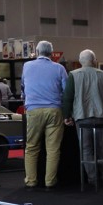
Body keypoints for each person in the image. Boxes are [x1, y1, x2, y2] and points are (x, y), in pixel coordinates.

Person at [62, 49, 103, 186]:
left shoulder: (73, 75)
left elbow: (67, 98)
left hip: (82, 117)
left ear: (80, 61)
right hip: (101, 117)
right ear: (94, 60)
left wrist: (67, 116)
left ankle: (92, 179)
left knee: (86, 149)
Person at [21, 40, 68, 190]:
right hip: (54, 110)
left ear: (37, 51)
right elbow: (66, 91)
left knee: (31, 147)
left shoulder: (27, 66)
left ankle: (31, 181)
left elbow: (23, 87)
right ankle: (50, 181)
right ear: (51, 52)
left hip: (33, 110)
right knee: (53, 148)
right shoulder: (59, 68)